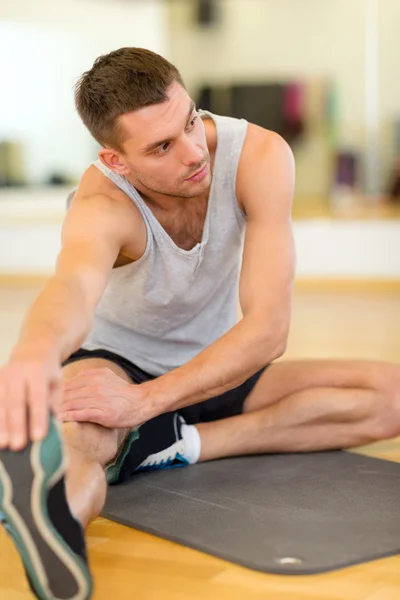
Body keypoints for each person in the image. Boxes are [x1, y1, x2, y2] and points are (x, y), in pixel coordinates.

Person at [0, 47, 398, 600]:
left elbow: (268, 332)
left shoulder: (257, 154)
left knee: (392, 397)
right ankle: (55, 526)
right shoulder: (102, 203)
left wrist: (148, 406)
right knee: (77, 447)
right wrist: (33, 355)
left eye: (189, 120)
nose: (192, 153)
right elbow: (70, 287)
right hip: (115, 367)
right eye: (162, 146)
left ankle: (174, 444)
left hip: (219, 361)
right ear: (116, 161)